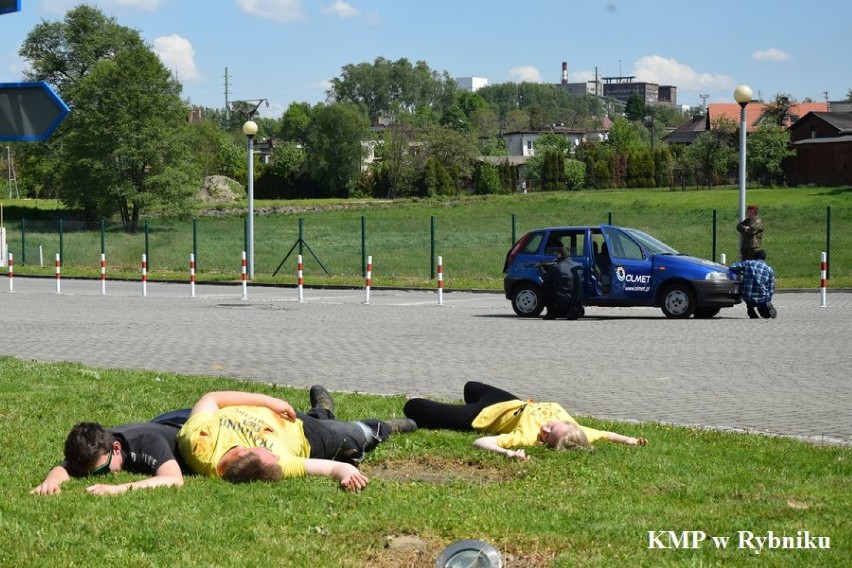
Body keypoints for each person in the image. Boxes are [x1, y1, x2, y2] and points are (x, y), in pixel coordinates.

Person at [177, 386, 415, 491]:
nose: (273, 454)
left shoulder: (199, 443)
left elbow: (212, 399)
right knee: (354, 434)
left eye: (265, 450)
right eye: (273, 455)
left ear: (241, 452)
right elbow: (327, 466)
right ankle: (383, 428)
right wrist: (346, 473)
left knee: (321, 418)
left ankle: (323, 410)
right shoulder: (273, 464)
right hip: (309, 436)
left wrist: (270, 402)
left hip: (282, 412)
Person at [403, 381, 647, 461]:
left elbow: (481, 442)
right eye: (554, 424)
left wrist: (508, 454)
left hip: (482, 415)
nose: (546, 426)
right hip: (511, 402)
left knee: (414, 406)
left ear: (544, 441)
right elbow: (606, 434)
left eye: (547, 433)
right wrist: (632, 440)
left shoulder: (527, 437)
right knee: (471, 386)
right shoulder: (577, 429)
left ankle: (463, 410)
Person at [31, 409, 192, 496]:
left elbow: (174, 479)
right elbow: (66, 467)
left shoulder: (148, 443)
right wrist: (51, 481)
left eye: (101, 470)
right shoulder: (95, 443)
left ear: (115, 448)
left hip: (191, 426)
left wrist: (117, 489)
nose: (98, 475)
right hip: (161, 421)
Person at [729, 249, 777, 319]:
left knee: (747, 292)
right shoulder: (769, 269)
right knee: (766, 314)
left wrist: (741, 273)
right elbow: (771, 288)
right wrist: (768, 299)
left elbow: (732, 266)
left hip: (748, 297)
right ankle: (765, 306)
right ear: (764, 258)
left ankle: (750, 308)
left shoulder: (748, 263)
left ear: (754, 257)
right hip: (762, 297)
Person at [540, 247, 584, 319]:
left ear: (559, 255)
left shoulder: (558, 267)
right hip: (576, 301)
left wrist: (542, 269)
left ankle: (551, 313)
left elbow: (545, 278)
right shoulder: (578, 266)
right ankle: (575, 309)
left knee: (545, 285)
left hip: (562, 303)